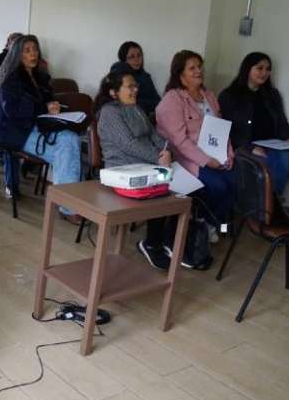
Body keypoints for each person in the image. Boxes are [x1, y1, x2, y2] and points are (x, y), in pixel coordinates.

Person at [95, 71, 186, 269]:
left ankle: (169, 240)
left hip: (148, 165)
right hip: (123, 169)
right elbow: (129, 144)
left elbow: (154, 136)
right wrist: (158, 158)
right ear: (114, 92)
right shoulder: (110, 112)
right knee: (165, 189)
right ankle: (152, 243)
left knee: (186, 188)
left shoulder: (136, 108)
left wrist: (166, 150)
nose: (135, 89)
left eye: (135, 86)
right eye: (130, 86)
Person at [0, 34, 81, 220]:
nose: (33, 54)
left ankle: (67, 203)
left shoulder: (41, 77)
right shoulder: (10, 79)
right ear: (17, 54)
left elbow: (46, 102)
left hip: (39, 127)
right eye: (27, 51)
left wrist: (54, 106)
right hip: (16, 131)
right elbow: (12, 110)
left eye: (35, 50)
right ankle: (68, 207)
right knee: (66, 147)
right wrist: (43, 107)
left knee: (71, 139)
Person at [156, 50, 235, 230]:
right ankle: (206, 225)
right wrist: (208, 161)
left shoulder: (209, 96)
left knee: (236, 181)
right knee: (219, 186)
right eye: (192, 68)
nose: (199, 71)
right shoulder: (172, 99)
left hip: (216, 156)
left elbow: (222, 129)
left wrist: (228, 154)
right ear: (180, 74)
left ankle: (215, 226)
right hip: (187, 159)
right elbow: (180, 142)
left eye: (200, 67)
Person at [219, 52, 289, 195]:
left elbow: (281, 122)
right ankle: (264, 204)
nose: (264, 73)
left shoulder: (272, 95)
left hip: (272, 144)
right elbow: (225, 130)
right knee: (263, 167)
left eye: (268, 69)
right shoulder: (230, 95)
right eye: (259, 68)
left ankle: (272, 201)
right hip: (244, 145)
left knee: (284, 158)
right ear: (248, 69)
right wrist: (250, 147)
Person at [110, 41, 161, 116]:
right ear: (124, 60)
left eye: (139, 55)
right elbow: (126, 102)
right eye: (132, 57)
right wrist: (147, 104)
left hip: (146, 117)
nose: (137, 59)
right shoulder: (118, 76)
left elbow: (158, 102)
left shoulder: (146, 76)